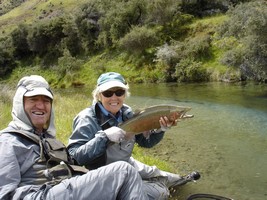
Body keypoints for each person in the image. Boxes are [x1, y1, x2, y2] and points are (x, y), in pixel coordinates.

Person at [0, 75, 148, 200]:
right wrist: (104, 138)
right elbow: (5, 194)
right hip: (43, 195)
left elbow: (72, 162)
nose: (40, 106)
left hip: (65, 187)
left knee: (152, 190)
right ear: (20, 104)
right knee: (124, 170)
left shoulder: (46, 138)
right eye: (33, 100)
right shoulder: (8, 142)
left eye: (46, 101)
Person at [67, 72, 200, 200]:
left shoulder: (127, 113)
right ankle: (157, 187)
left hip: (127, 162)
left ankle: (181, 180)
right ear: (98, 95)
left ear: (125, 94)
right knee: (160, 193)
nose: (114, 98)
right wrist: (103, 137)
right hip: (102, 173)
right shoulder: (86, 119)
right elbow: (75, 157)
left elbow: (145, 142)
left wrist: (160, 130)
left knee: (160, 174)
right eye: (108, 93)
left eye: (119, 92)